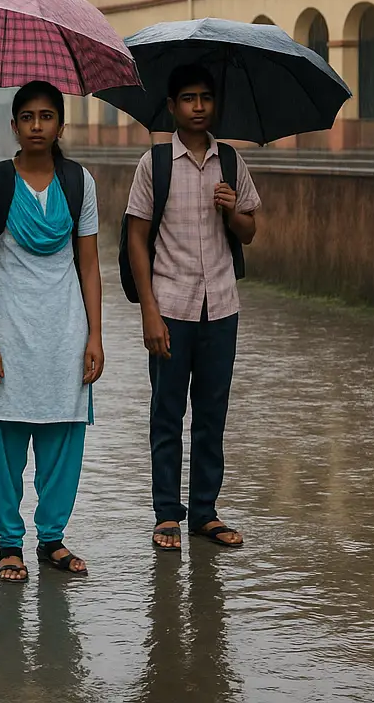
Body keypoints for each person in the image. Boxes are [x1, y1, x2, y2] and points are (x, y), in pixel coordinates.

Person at [0, 81, 104, 582]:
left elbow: (89, 265)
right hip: (6, 328)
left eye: (47, 116)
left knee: (63, 438)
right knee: (5, 441)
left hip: (65, 329)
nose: (38, 126)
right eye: (27, 117)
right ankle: (8, 544)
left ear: (60, 125)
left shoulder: (79, 182)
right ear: (14, 126)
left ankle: (52, 539)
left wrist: (95, 336)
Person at [125, 63, 261, 552]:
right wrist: (148, 311)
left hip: (221, 307)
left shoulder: (231, 163)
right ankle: (167, 514)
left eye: (205, 97)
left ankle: (205, 512)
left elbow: (249, 231)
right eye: (188, 98)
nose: (198, 106)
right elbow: (137, 238)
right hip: (171, 306)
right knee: (166, 414)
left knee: (212, 414)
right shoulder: (155, 164)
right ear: (172, 106)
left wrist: (232, 209)